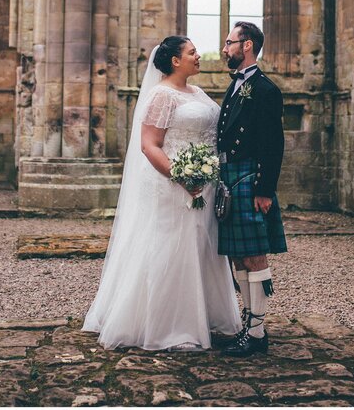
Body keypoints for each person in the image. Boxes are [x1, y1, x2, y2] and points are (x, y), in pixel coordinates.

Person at [83, 36, 243, 351]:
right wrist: (180, 176)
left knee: (200, 246)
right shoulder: (161, 95)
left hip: (203, 184)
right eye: (193, 52)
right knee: (171, 248)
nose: (199, 56)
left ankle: (204, 315)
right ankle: (167, 325)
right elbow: (148, 144)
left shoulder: (197, 92)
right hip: (172, 185)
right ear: (175, 60)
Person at [217, 21, 288, 356]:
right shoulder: (234, 86)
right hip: (231, 175)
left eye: (229, 42)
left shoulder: (265, 89)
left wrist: (264, 190)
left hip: (249, 178)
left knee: (254, 255)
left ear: (246, 46)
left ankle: (257, 332)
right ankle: (250, 325)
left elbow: (274, 144)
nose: (224, 48)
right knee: (238, 256)